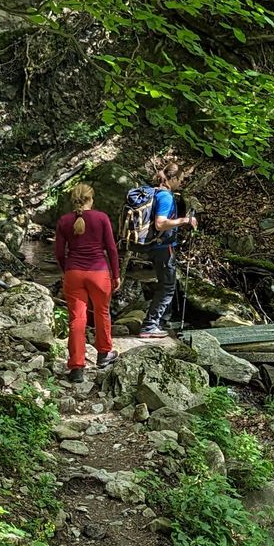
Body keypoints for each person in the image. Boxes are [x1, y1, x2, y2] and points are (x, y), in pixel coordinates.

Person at [54, 183, 120, 380]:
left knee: (77, 318)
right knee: (102, 312)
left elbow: (58, 252)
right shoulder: (101, 218)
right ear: (91, 199)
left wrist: (67, 269)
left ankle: (76, 367)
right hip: (99, 273)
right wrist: (116, 274)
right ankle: (103, 353)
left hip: (74, 272)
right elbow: (111, 249)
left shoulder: (64, 221)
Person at [136, 157, 196, 337]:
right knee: (168, 286)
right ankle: (150, 325)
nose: (182, 183)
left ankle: (161, 321)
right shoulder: (165, 197)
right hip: (163, 247)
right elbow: (160, 223)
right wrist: (184, 220)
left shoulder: (155, 192)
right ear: (173, 179)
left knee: (166, 284)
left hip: (156, 246)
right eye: (181, 179)